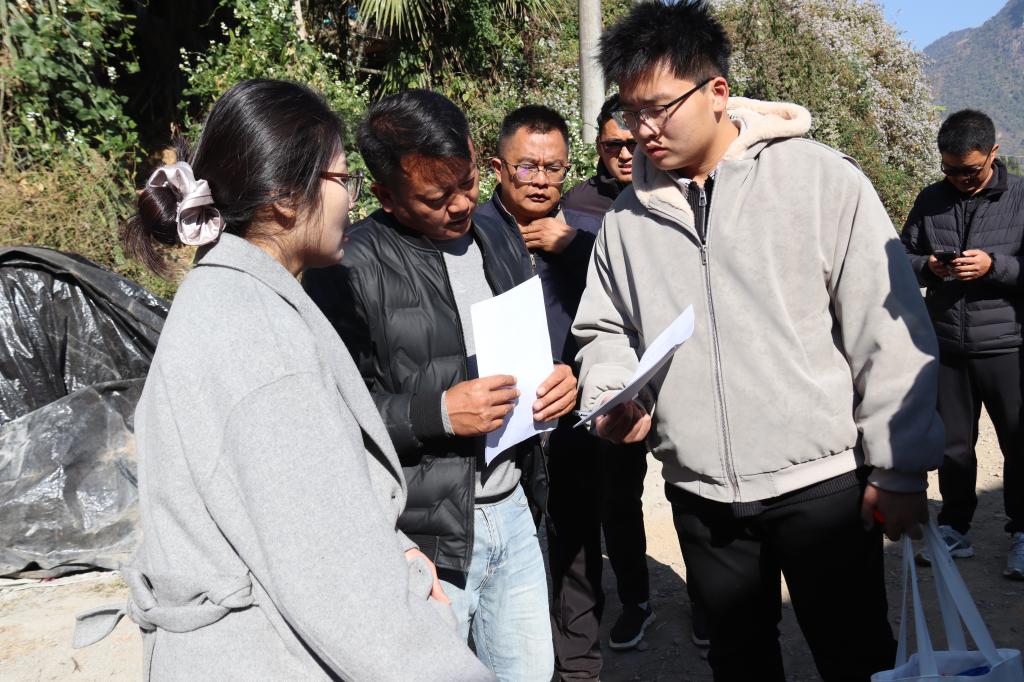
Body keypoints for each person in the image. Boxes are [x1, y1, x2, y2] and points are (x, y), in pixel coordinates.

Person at [71, 80, 493, 681]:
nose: (350, 199)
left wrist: (395, 549)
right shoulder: (259, 339)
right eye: (342, 179)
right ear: (286, 198)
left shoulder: (222, 295)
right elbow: (336, 579)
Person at [572, 2, 945, 681]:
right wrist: (613, 393)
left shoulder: (820, 180)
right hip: (701, 494)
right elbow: (604, 329)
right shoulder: (626, 220)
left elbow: (886, 329)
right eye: (631, 112)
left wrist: (899, 469)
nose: (642, 131)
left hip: (822, 485)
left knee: (856, 656)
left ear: (716, 91)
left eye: (658, 109)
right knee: (739, 662)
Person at [303, 89, 577, 682]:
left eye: (468, 181)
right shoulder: (345, 269)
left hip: (515, 507)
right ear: (386, 196)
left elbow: (527, 350)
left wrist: (557, 382)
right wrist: (438, 413)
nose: (460, 204)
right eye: (435, 197)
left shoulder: (497, 235)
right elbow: (327, 417)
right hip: (424, 539)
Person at [900, 109, 1024, 580]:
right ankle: (954, 527)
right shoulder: (931, 199)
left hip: (1009, 344)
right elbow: (901, 256)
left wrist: (995, 266)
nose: (959, 179)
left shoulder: (1020, 197)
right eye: (949, 170)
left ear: (993, 153)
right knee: (954, 446)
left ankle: (1022, 532)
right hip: (947, 344)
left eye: (969, 170)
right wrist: (929, 267)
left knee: (1019, 442)